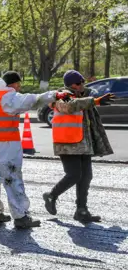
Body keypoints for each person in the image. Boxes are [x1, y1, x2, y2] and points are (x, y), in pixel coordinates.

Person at [0, 72, 58, 229]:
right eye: (18, 84)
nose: (19, 87)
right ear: (12, 84)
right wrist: (55, 95)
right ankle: (21, 216)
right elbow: (34, 100)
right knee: (12, 178)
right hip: (8, 145)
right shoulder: (10, 97)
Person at [42, 70, 114, 223]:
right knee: (74, 175)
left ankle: (82, 210)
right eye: (79, 82)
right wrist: (95, 101)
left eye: (83, 82)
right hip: (67, 143)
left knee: (86, 176)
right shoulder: (61, 96)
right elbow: (70, 106)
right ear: (71, 85)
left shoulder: (83, 95)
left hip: (83, 143)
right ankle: (51, 195)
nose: (82, 84)